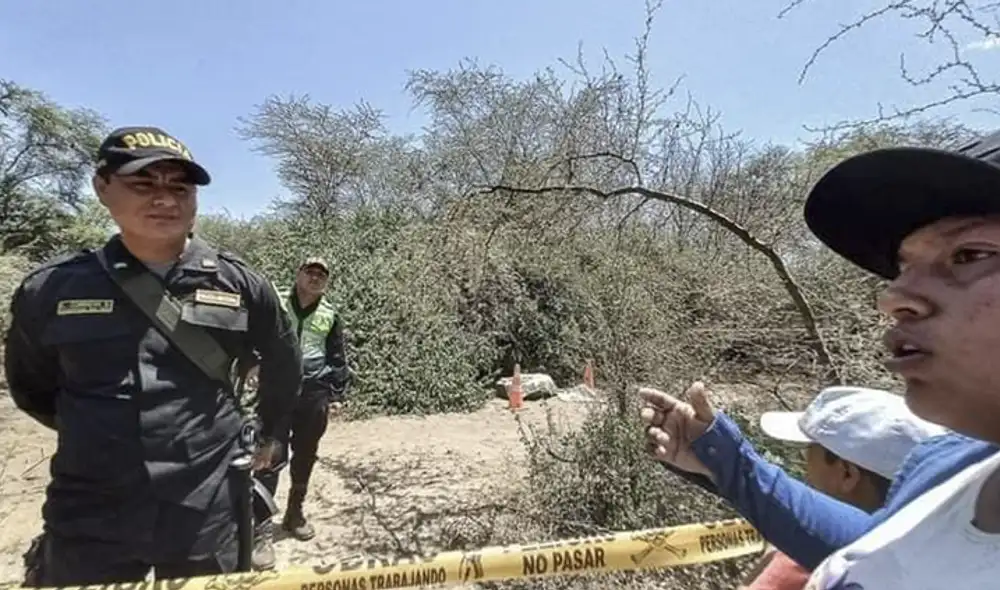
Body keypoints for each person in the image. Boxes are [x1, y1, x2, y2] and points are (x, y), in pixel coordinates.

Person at [640, 129, 1000, 588]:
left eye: (969, 255)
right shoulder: (948, 463)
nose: (893, 296)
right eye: (904, 266)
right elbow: (876, 546)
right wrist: (722, 455)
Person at [3, 126, 303, 585]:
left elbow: (285, 362)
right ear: (103, 187)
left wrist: (270, 432)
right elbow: (32, 384)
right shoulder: (51, 288)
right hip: (90, 503)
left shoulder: (240, 283)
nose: (164, 199)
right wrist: (98, 430)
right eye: (143, 184)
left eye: (179, 187)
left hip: (206, 497)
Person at [737, 386, 943, 590]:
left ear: (847, 474)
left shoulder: (803, 563)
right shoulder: (936, 560)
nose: (804, 467)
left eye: (808, 452)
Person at [251, 256, 349, 571]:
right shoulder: (276, 302)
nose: (315, 278)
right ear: (298, 275)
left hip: (314, 393)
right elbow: (253, 334)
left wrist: (336, 391)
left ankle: (295, 513)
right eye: (310, 272)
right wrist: (251, 361)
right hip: (277, 390)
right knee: (269, 456)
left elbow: (337, 355)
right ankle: (261, 530)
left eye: (321, 274)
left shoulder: (330, 315)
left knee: (306, 454)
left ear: (327, 282)